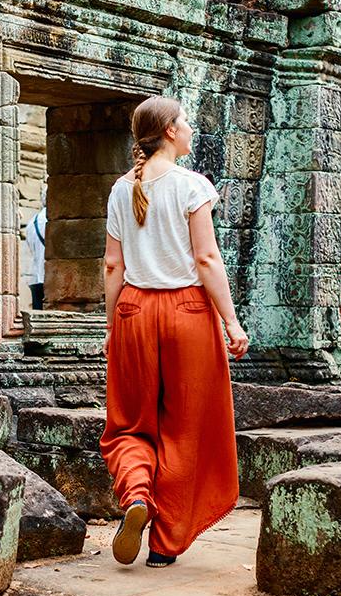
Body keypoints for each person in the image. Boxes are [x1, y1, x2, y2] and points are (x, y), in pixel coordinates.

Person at [100, 96, 248, 568]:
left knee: (128, 423)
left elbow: (111, 265)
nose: (188, 129)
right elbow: (206, 260)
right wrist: (231, 320)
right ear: (168, 131)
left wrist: (112, 328)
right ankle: (164, 544)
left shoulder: (122, 189)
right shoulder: (191, 186)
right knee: (185, 429)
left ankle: (137, 496)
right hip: (186, 312)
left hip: (132, 312)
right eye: (183, 122)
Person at [24, 190, 46, 310]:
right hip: (51, 277)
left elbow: (31, 248)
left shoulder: (32, 222)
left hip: (36, 275)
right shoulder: (51, 220)